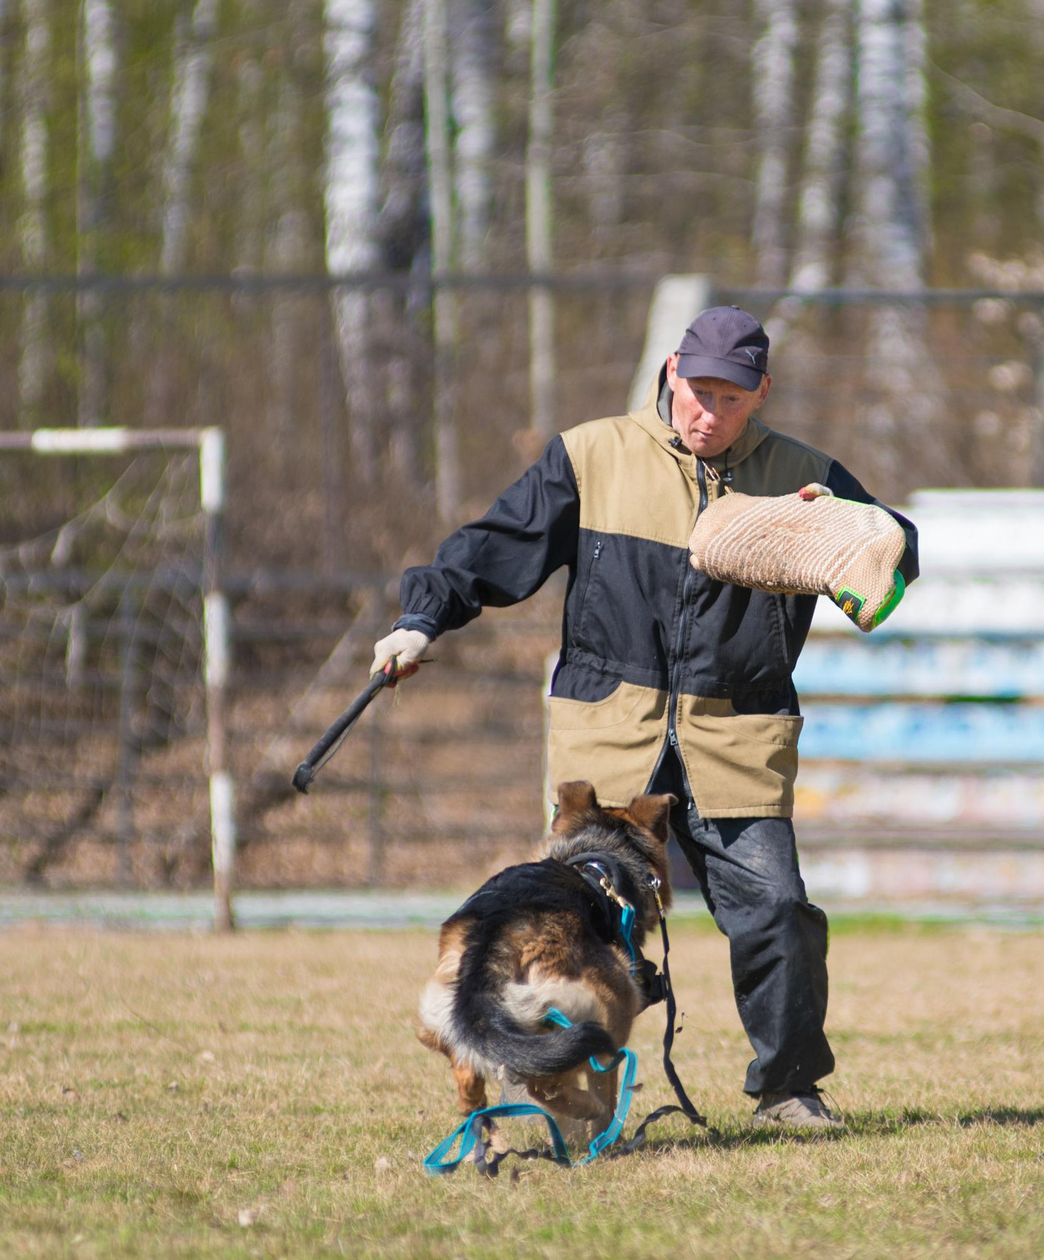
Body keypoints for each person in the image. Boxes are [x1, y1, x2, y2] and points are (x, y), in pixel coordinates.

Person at [376, 305, 917, 1130]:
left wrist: (854, 533)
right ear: (671, 370)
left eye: (732, 399)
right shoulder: (590, 456)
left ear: (761, 393)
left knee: (778, 911)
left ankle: (789, 1088)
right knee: (569, 934)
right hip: (608, 747)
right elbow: (490, 549)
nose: (710, 412)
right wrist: (422, 618)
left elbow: (896, 544)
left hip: (737, 736)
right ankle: (554, 1076)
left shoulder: (804, 475)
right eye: (698, 390)